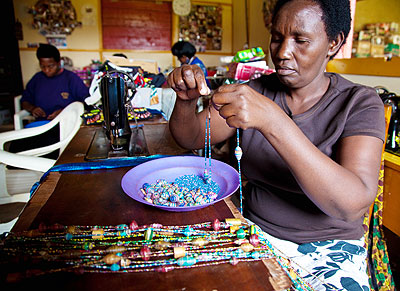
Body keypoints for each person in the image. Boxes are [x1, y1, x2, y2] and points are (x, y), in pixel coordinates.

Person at [167, 0, 385, 289]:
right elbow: (191, 136)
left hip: (327, 249)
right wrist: (186, 101)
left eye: (301, 40)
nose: (282, 53)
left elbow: (352, 204)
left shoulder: (359, 102)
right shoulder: (256, 90)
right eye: (277, 38)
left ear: (333, 43)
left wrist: (274, 121)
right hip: (253, 233)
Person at [20, 43, 89, 121]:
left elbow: (86, 102)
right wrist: (33, 108)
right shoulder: (37, 79)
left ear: (59, 62)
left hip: (66, 123)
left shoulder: (71, 78)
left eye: (50, 66)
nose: (46, 70)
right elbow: (25, 101)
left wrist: (65, 111)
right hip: (41, 125)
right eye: (43, 66)